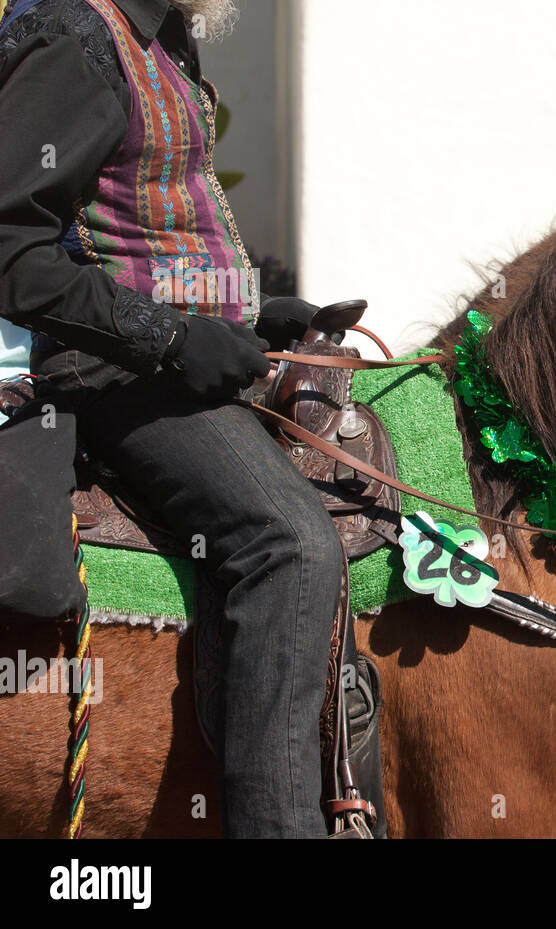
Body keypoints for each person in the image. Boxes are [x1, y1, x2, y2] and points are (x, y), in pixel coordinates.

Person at [0, 0, 344, 837]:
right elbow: (13, 255)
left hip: (153, 354)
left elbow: (145, 232)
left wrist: (248, 308)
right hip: (103, 372)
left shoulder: (164, 33)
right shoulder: (74, 35)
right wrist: (171, 339)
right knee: (291, 544)